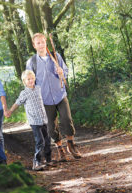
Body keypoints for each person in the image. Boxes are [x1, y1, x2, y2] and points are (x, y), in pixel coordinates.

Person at [26, 33, 82, 161]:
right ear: (34, 45)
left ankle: (71, 144)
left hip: (60, 94)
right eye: (38, 43)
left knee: (67, 120)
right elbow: (29, 80)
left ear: (46, 42)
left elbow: (65, 71)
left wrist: (62, 73)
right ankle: (60, 148)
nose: (41, 44)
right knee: (51, 128)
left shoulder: (56, 57)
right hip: (44, 99)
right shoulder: (32, 62)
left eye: (43, 41)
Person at [6, 70, 51, 170]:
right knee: (40, 141)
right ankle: (36, 162)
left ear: (35, 78)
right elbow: (17, 103)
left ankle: (48, 160)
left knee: (47, 140)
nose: (31, 81)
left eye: (32, 78)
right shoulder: (24, 93)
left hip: (43, 119)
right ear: (24, 81)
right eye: (28, 79)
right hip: (34, 122)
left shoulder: (38, 88)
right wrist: (10, 111)